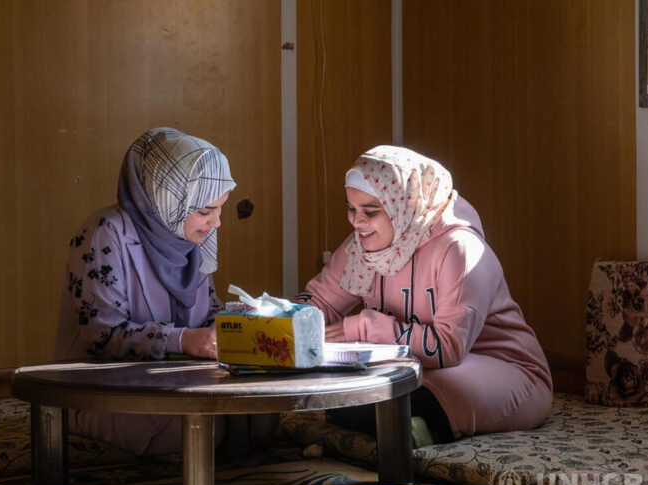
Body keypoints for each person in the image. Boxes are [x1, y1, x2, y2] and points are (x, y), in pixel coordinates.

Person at [295, 145, 553, 443]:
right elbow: (322, 301)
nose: (356, 222)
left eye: (370, 211)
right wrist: (284, 319)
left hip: (503, 368)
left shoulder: (459, 248)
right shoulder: (364, 244)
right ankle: (413, 429)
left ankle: (412, 425)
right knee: (346, 390)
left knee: (418, 390)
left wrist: (365, 328)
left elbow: (449, 347)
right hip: (419, 368)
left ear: (404, 205)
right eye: (351, 209)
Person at [52, 127, 236, 455]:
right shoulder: (105, 233)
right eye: (206, 210)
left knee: (259, 419)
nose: (216, 222)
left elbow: (209, 313)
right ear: (167, 198)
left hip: (180, 383)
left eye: (220, 208)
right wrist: (182, 340)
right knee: (200, 433)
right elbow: (101, 335)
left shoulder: (193, 237)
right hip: (108, 389)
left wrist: (245, 322)